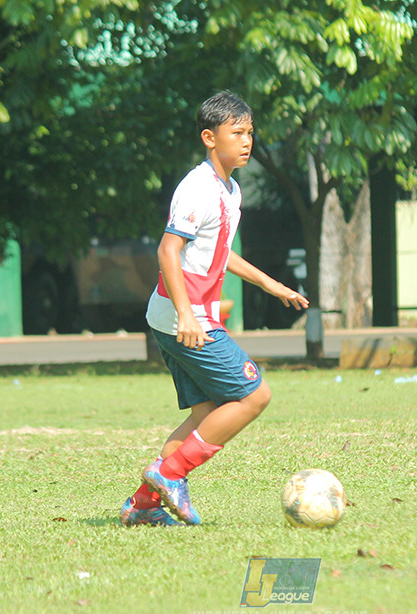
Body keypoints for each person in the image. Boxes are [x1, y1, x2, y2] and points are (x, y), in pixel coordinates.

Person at [120, 91, 309, 527]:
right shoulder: (197, 188)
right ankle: (170, 475)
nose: (247, 142)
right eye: (237, 133)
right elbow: (168, 251)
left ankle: (142, 506)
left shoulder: (230, 188)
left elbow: (219, 250)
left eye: (250, 133)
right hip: (182, 316)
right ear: (210, 137)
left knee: (205, 415)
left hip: (177, 315)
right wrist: (187, 315)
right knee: (254, 394)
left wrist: (269, 283)